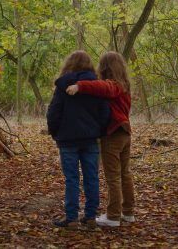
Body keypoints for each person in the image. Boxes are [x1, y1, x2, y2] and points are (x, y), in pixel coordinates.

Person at [66, 51, 135, 227]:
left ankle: (112, 216)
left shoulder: (114, 85)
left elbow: (104, 87)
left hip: (114, 134)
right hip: (125, 133)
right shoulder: (124, 84)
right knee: (124, 174)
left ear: (105, 67)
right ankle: (128, 213)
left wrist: (80, 86)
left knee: (114, 176)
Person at [47, 51, 111, 230]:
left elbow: (53, 112)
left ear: (69, 64)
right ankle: (90, 217)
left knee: (72, 179)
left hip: (67, 140)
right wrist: (99, 131)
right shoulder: (97, 86)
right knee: (91, 177)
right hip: (90, 139)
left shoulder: (63, 85)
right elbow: (105, 113)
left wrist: (55, 133)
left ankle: (72, 218)